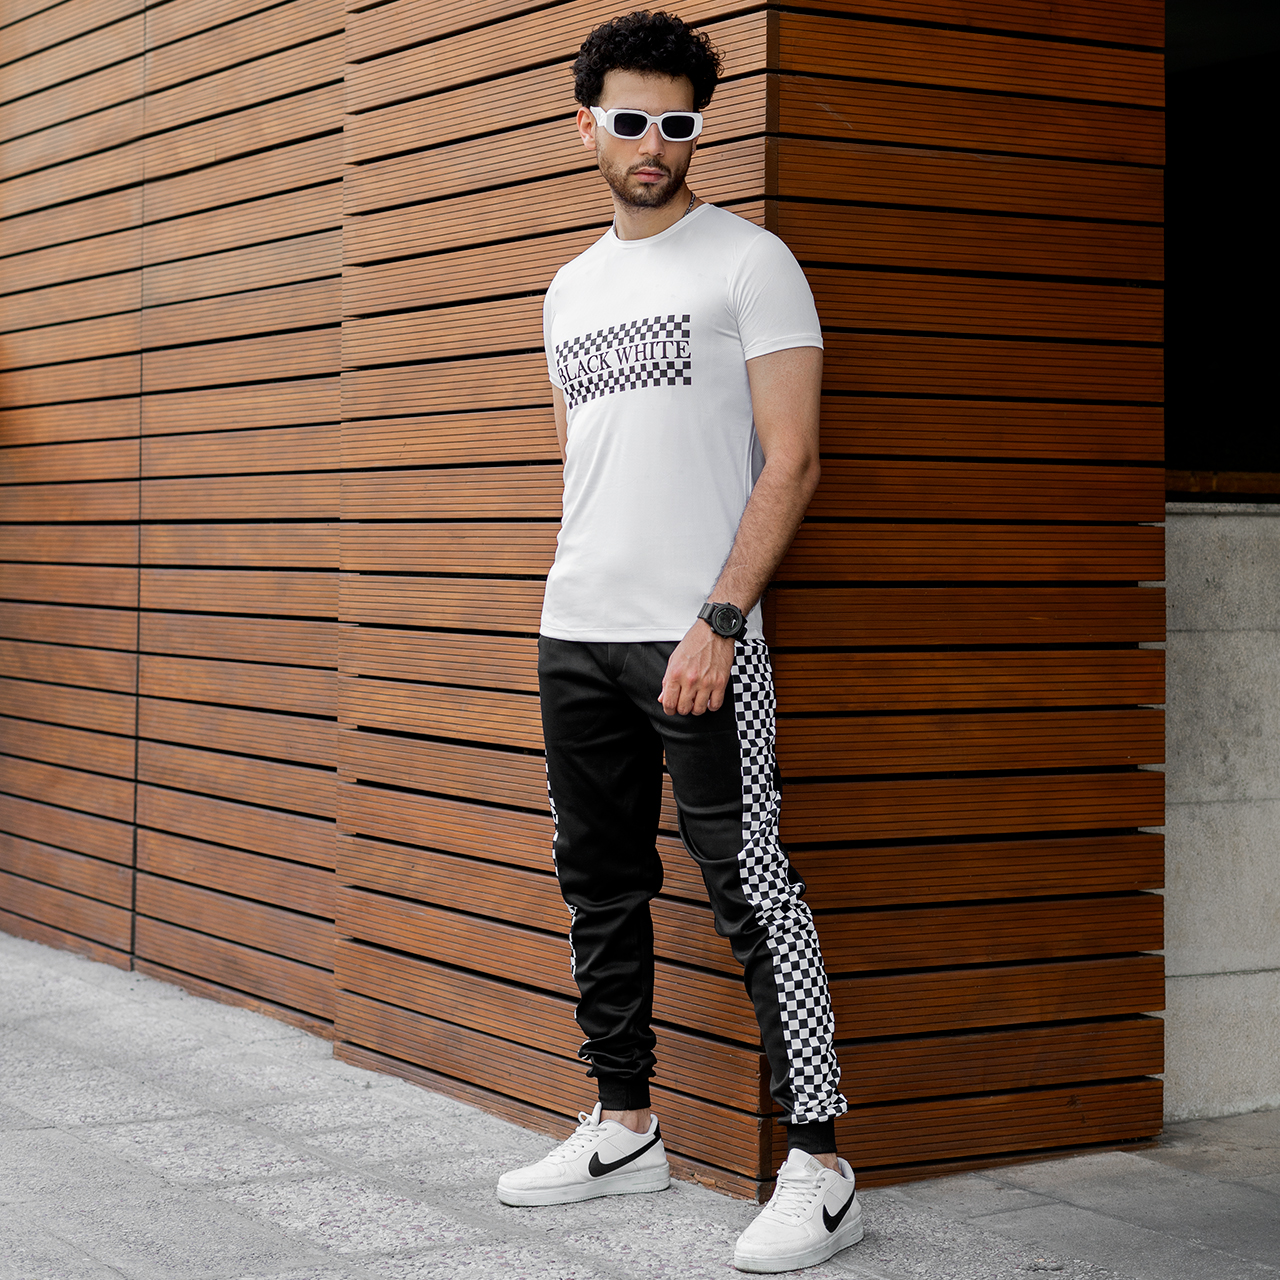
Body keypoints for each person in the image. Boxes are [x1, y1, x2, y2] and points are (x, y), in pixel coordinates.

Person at [494, 11, 862, 1273]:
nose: (652, 143)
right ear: (585, 124)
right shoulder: (567, 289)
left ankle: (820, 1162)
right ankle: (623, 1122)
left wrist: (718, 617)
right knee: (596, 879)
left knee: (750, 885)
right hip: (576, 630)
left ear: (699, 129)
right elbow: (584, 467)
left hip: (699, 635)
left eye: (677, 122)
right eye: (629, 119)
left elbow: (792, 459)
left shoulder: (750, 263)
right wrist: (575, 604)